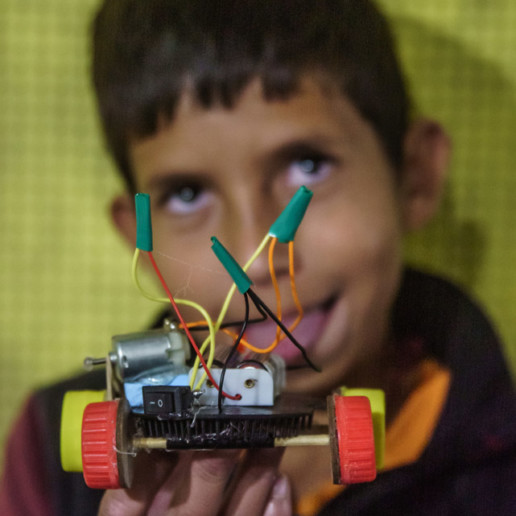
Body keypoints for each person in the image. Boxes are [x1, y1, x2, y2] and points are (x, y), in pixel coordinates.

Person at [1, 0, 515, 514]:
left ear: (415, 176)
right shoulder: (46, 464)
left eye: (308, 166)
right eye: (186, 195)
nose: (252, 258)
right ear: (141, 239)